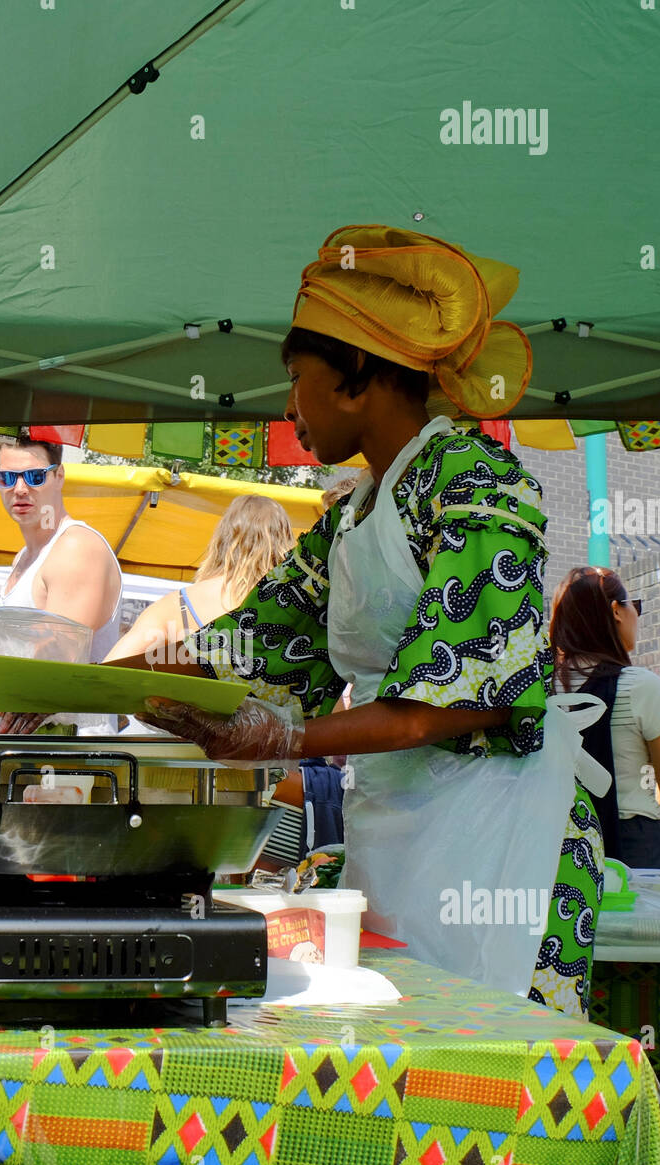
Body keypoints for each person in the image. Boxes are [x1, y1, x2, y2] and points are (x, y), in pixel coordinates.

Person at [113, 225, 609, 1019]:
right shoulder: (348, 521)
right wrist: (83, 686)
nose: (290, 410)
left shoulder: (479, 481)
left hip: (503, 834)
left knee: (493, 1074)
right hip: (399, 823)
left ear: (354, 381)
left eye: (297, 381)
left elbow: (463, 696)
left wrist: (285, 739)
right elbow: (249, 648)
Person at [550, 566, 660, 869]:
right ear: (616, 611)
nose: (636, 616)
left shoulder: (542, 689)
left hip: (556, 844)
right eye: (635, 606)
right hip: (634, 842)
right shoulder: (641, 685)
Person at [104, 495, 295, 665]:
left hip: (192, 703)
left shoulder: (176, 606)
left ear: (221, 539)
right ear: (285, 542)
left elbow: (110, 669)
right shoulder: (294, 604)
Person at [0, 433, 122, 658]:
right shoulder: (24, 557)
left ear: (59, 476)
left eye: (35, 476)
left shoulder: (76, 547)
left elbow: (57, 660)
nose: (20, 488)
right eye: (7, 477)